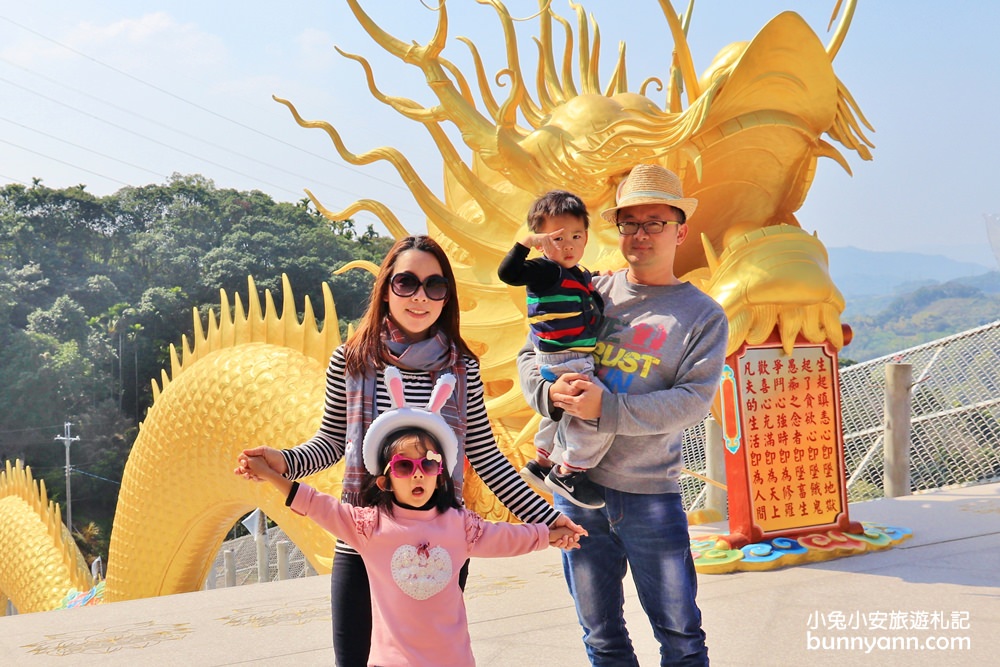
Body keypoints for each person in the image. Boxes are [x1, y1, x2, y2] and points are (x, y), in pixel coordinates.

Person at [235, 234, 583, 667]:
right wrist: (283, 461)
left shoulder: (461, 367)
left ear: (446, 296)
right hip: (362, 540)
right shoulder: (352, 359)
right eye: (407, 283)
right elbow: (331, 444)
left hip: (438, 542)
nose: (420, 297)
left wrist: (548, 518)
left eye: (435, 286)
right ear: (386, 288)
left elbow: (487, 458)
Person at [517, 164, 728, 666]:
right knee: (600, 636)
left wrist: (605, 409)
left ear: (680, 230)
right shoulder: (590, 289)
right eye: (629, 223)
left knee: (680, 635)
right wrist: (550, 395)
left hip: (650, 494)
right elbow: (531, 353)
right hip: (575, 496)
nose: (640, 234)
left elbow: (692, 400)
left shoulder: (701, 316)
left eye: (654, 222)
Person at [240, 367, 578, 667]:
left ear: (441, 475)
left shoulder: (460, 526)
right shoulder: (368, 526)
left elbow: (508, 537)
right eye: (404, 466)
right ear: (385, 480)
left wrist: (550, 531)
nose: (418, 474)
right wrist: (273, 474)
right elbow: (315, 503)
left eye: (428, 464)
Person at [498, 190, 611, 510]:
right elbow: (509, 274)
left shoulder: (579, 273)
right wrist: (525, 244)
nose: (569, 245)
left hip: (569, 356)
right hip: (565, 357)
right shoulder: (545, 270)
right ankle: (569, 471)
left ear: (587, 237)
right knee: (598, 413)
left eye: (576, 236)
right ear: (542, 240)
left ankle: (542, 462)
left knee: (560, 414)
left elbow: (589, 296)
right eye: (558, 238)